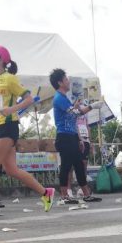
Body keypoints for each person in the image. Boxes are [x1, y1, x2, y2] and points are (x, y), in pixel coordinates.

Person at [0, 46, 55, 218]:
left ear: (1, 60)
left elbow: (29, 99)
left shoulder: (10, 79)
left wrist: (12, 109)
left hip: (8, 127)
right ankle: (46, 193)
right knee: (11, 170)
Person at [50, 68, 94, 204]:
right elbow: (75, 113)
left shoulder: (64, 98)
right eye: (66, 79)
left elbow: (74, 115)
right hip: (64, 137)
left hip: (72, 136)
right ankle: (64, 196)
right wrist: (91, 107)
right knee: (66, 165)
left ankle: (86, 194)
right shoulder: (59, 98)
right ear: (60, 82)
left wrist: (79, 138)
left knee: (79, 165)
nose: (68, 81)